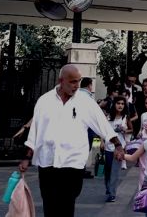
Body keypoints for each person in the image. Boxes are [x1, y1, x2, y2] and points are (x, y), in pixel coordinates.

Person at [19, 64, 124, 217]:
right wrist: (27, 158)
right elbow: (35, 131)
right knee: (49, 204)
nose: (77, 86)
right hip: (47, 161)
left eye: (79, 81)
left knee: (67, 204)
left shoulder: (85, 101)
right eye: (73, 82)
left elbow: (103, 125)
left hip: (72, 163)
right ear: (61, 81)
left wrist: (118, 145)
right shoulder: (44, 101)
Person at [103, 96, 132, 202]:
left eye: (122, 104)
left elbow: (131, 129)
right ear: (114, 104)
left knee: (115, 171)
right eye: (118, 103)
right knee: (107, 170)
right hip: (108, 146)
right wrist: (101, 142)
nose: (120, 105)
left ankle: (112, 193)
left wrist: (125, 130)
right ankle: (108, 188)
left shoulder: (125, 117)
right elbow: (103, 131)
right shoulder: (108, 116)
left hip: (120, 148)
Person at [79, 77, 97, 178]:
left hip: (80, 126)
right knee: (86, 148)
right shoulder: (88, 96)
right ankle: (81, 169)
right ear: (89, 85)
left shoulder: (77, 94)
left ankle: (81, 169)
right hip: (88, 126)